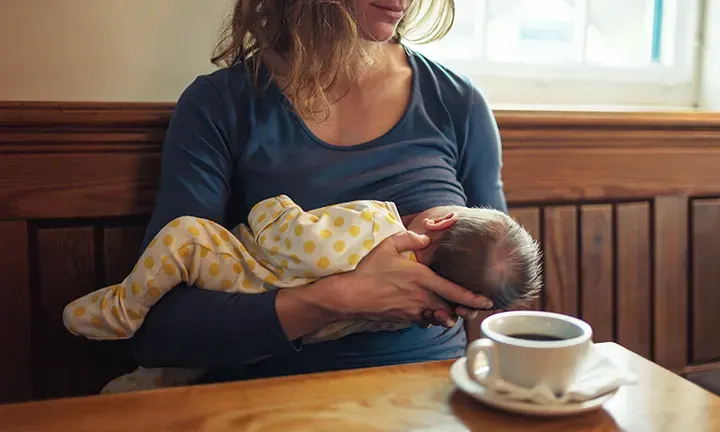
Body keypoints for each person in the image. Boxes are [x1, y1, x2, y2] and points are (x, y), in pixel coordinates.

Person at [129, 0, 509, 384]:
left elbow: (496, 301)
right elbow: (160, 330)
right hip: (272, 401)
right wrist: (341, 298)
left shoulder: (457, 102)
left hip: (430, 397)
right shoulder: (220, 105)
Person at [65, 195, 539, 393]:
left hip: (239, 274)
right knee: (174, 371)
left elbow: (288, 239)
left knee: (184, 237)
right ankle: (124, 388)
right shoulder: (411, 310)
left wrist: (275, 208)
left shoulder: (377, 222)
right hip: (261, 345)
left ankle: (123, 308)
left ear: (437, 222)